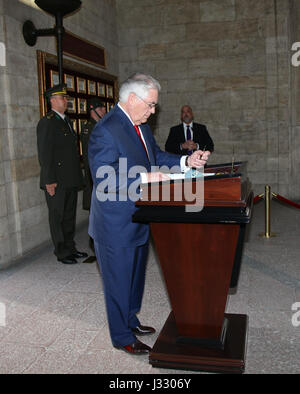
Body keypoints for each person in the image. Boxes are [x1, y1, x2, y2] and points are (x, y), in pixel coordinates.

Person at [88, 73, 210, 355]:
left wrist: (185, 161)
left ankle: (130, 320)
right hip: (115, 223)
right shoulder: (106, 129)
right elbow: (104, 179)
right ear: (132, 99)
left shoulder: (139, 124)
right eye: (151, 105)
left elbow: (154, 156)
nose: (154, 111)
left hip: (141, 216)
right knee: (118, 281)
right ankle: (122, 336)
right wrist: (144, 178)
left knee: (134, 278)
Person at [37, 83, 88, 265]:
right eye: (62, 98)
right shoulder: (47, 122)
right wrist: (49, 180)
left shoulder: (65, 121)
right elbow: (45, 153)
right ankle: (61, 252)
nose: (66, 101)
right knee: (57, 217)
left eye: (66, 98)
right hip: (56, 180)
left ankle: (70, 247)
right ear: (52, 100)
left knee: (69, 216)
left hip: (70, 178)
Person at [80, 98, 106, 263]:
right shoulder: (89, 129)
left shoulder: (100, 126)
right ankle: (95, 248)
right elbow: (92, 158)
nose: (104, 111)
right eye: (101, 108)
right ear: (92, 110)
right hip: (95, 177)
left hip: (102, 176)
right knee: (95, 215)